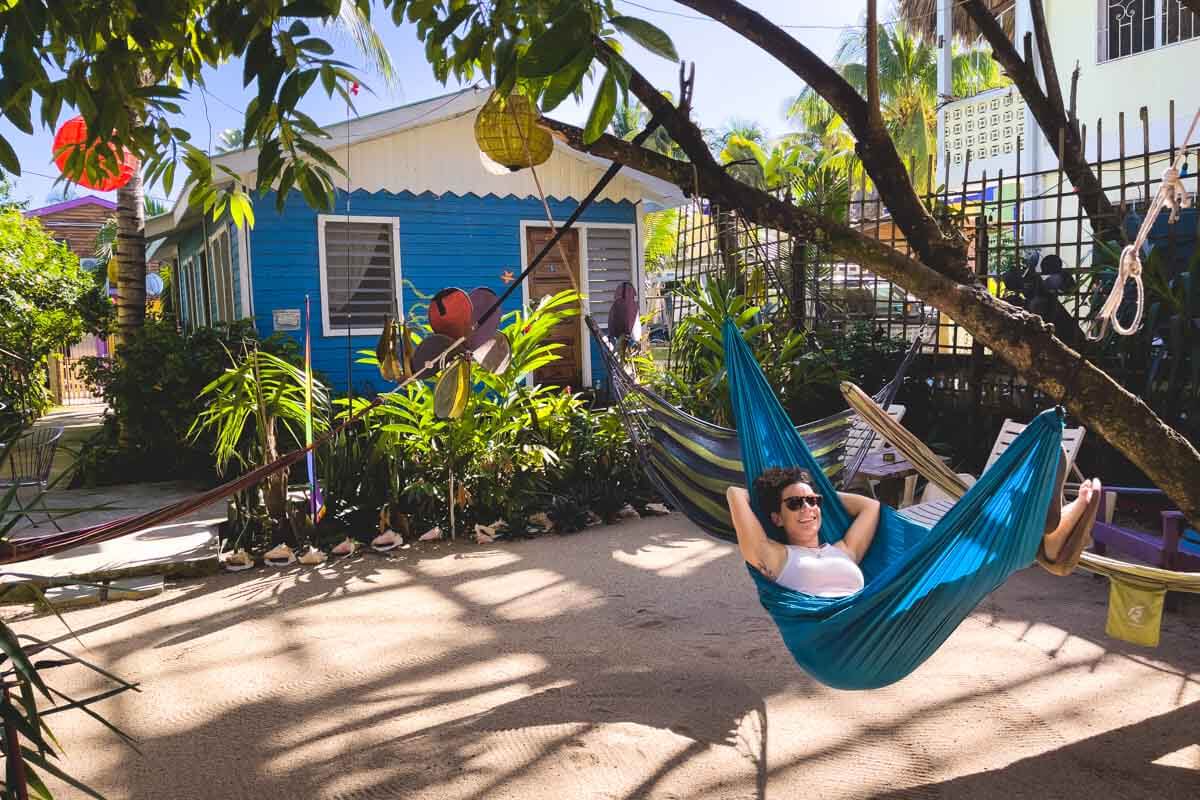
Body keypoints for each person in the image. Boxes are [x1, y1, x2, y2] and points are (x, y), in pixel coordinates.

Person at [726, 465, 1101, 597]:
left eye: (814, 503)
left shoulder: (844, 549)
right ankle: (1049, 544)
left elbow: (870, 506)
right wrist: (772, 495)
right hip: (854, 632)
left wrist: (816, 488)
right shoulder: (775, 556)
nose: (808, 509)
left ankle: (1047, 543)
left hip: (888, 605)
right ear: (775, 517)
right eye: (795, 504)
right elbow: (735, 493)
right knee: (967, 547)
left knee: (963, 547)